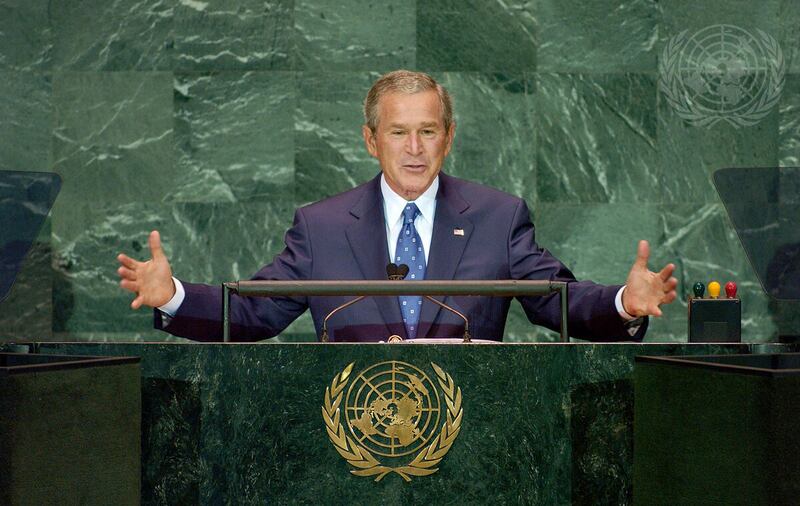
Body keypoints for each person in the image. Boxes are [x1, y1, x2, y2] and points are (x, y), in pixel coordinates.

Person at [117, 70, 677, 342]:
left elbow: (558, 302)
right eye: (399, 132)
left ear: (448, 137)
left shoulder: (498, 217)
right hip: (349, 440)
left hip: (475, 446)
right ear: (370, 140)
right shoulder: (323, 226)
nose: (414, 149)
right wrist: (175, 297)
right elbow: (255, 312)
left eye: (428, 132)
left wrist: (627, 301)